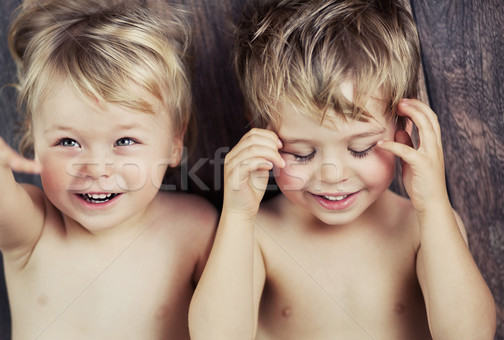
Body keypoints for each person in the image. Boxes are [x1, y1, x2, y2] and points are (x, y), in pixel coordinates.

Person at [189, 0, 496, 339]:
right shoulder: (258, 234)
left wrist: (434, 204)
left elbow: (470, 334)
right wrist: (237, 216)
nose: (332, 174)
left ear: (403, 126)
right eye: (301, 153)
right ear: (260, 135)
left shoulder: (423, 226)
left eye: (360, 148)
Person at [0, 1, 217, 339]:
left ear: (174, 141)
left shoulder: (195, 228)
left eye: (124, 140)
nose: (97, 168)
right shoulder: (34, 227)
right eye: (69, 143)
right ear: (34, 136)